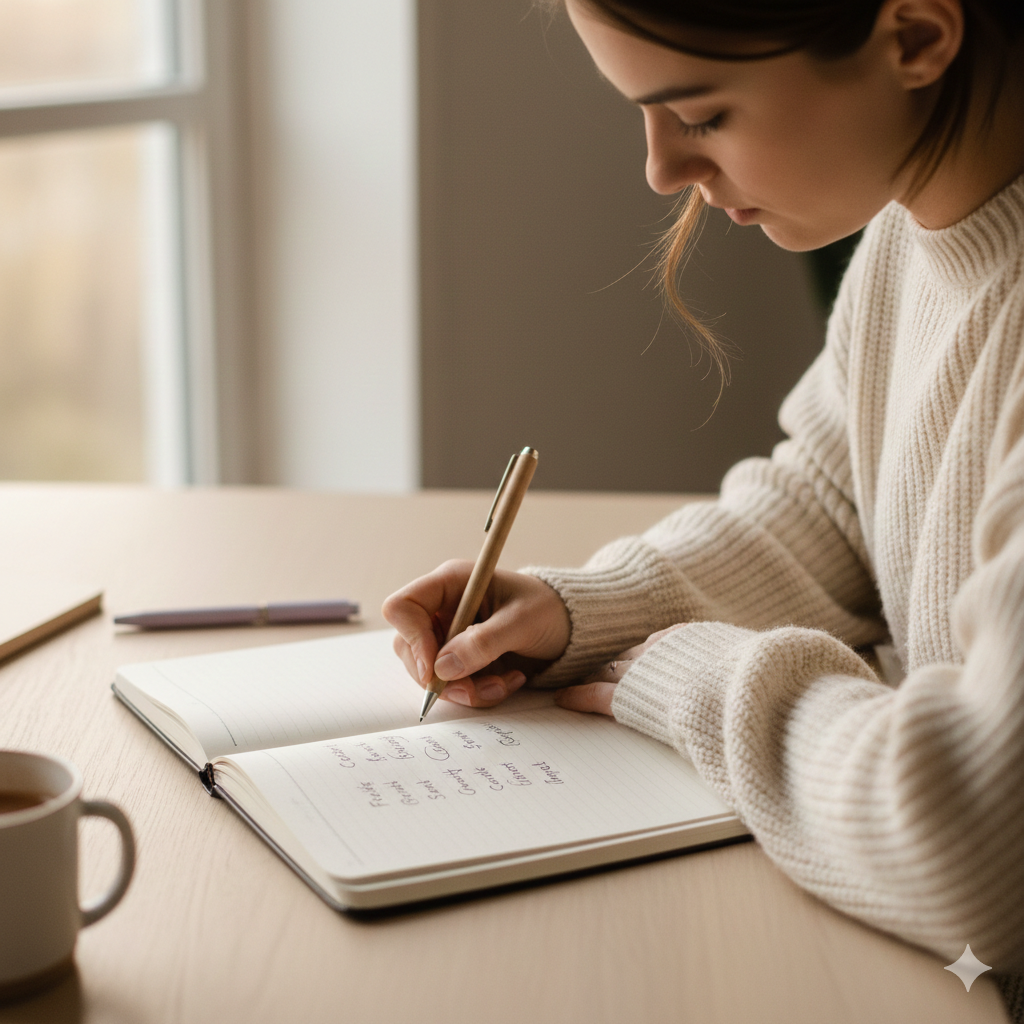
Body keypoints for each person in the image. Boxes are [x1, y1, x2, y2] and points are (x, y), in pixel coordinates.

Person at [383, 0, 1024, 1015]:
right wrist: (588, 610)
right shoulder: (910, 239)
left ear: (913, 36)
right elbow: (836, 509)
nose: (660, 170)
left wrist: (694, 678)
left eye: (701, 115)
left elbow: (978, 845)